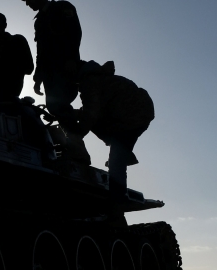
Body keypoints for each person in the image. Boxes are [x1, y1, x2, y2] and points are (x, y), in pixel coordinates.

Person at [61, 60, 155, 202]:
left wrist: (77, 135)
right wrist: (75, 114)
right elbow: (95, 108)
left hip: (131, 116)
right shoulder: (98, 78)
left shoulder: (89, 82)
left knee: (116, 159)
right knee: (118, 149)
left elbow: (91, 114)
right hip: (137, 112)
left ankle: (117, 199)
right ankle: (125, 153)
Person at [18, 0, 81, 124]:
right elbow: (41, 50)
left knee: (56, 105)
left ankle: (79, 127)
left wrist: (71, 59)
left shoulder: (62, 7)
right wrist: (38, 76)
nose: (27, 3)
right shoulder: (38, 22)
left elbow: (75, 33)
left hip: (65, 67)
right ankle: (74, 138)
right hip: (49, 73)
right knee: (54, 108)